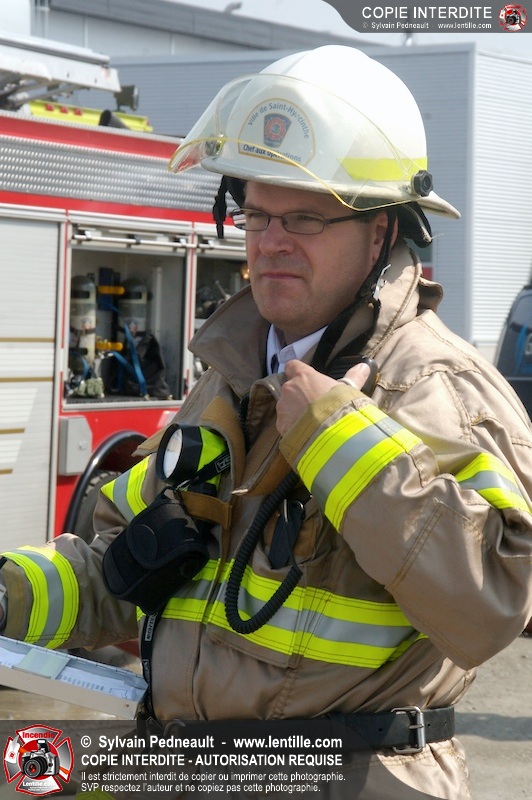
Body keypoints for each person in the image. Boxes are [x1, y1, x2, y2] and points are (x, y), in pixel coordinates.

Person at [1, 45, 532, 800]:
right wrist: (8, 595)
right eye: (257, 213)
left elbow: (493, 608)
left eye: (306, 217)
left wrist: (340, 442)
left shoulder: (438, 389)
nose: (271, 240)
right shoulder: (231, 375)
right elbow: (124, 565)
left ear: (381, 232)